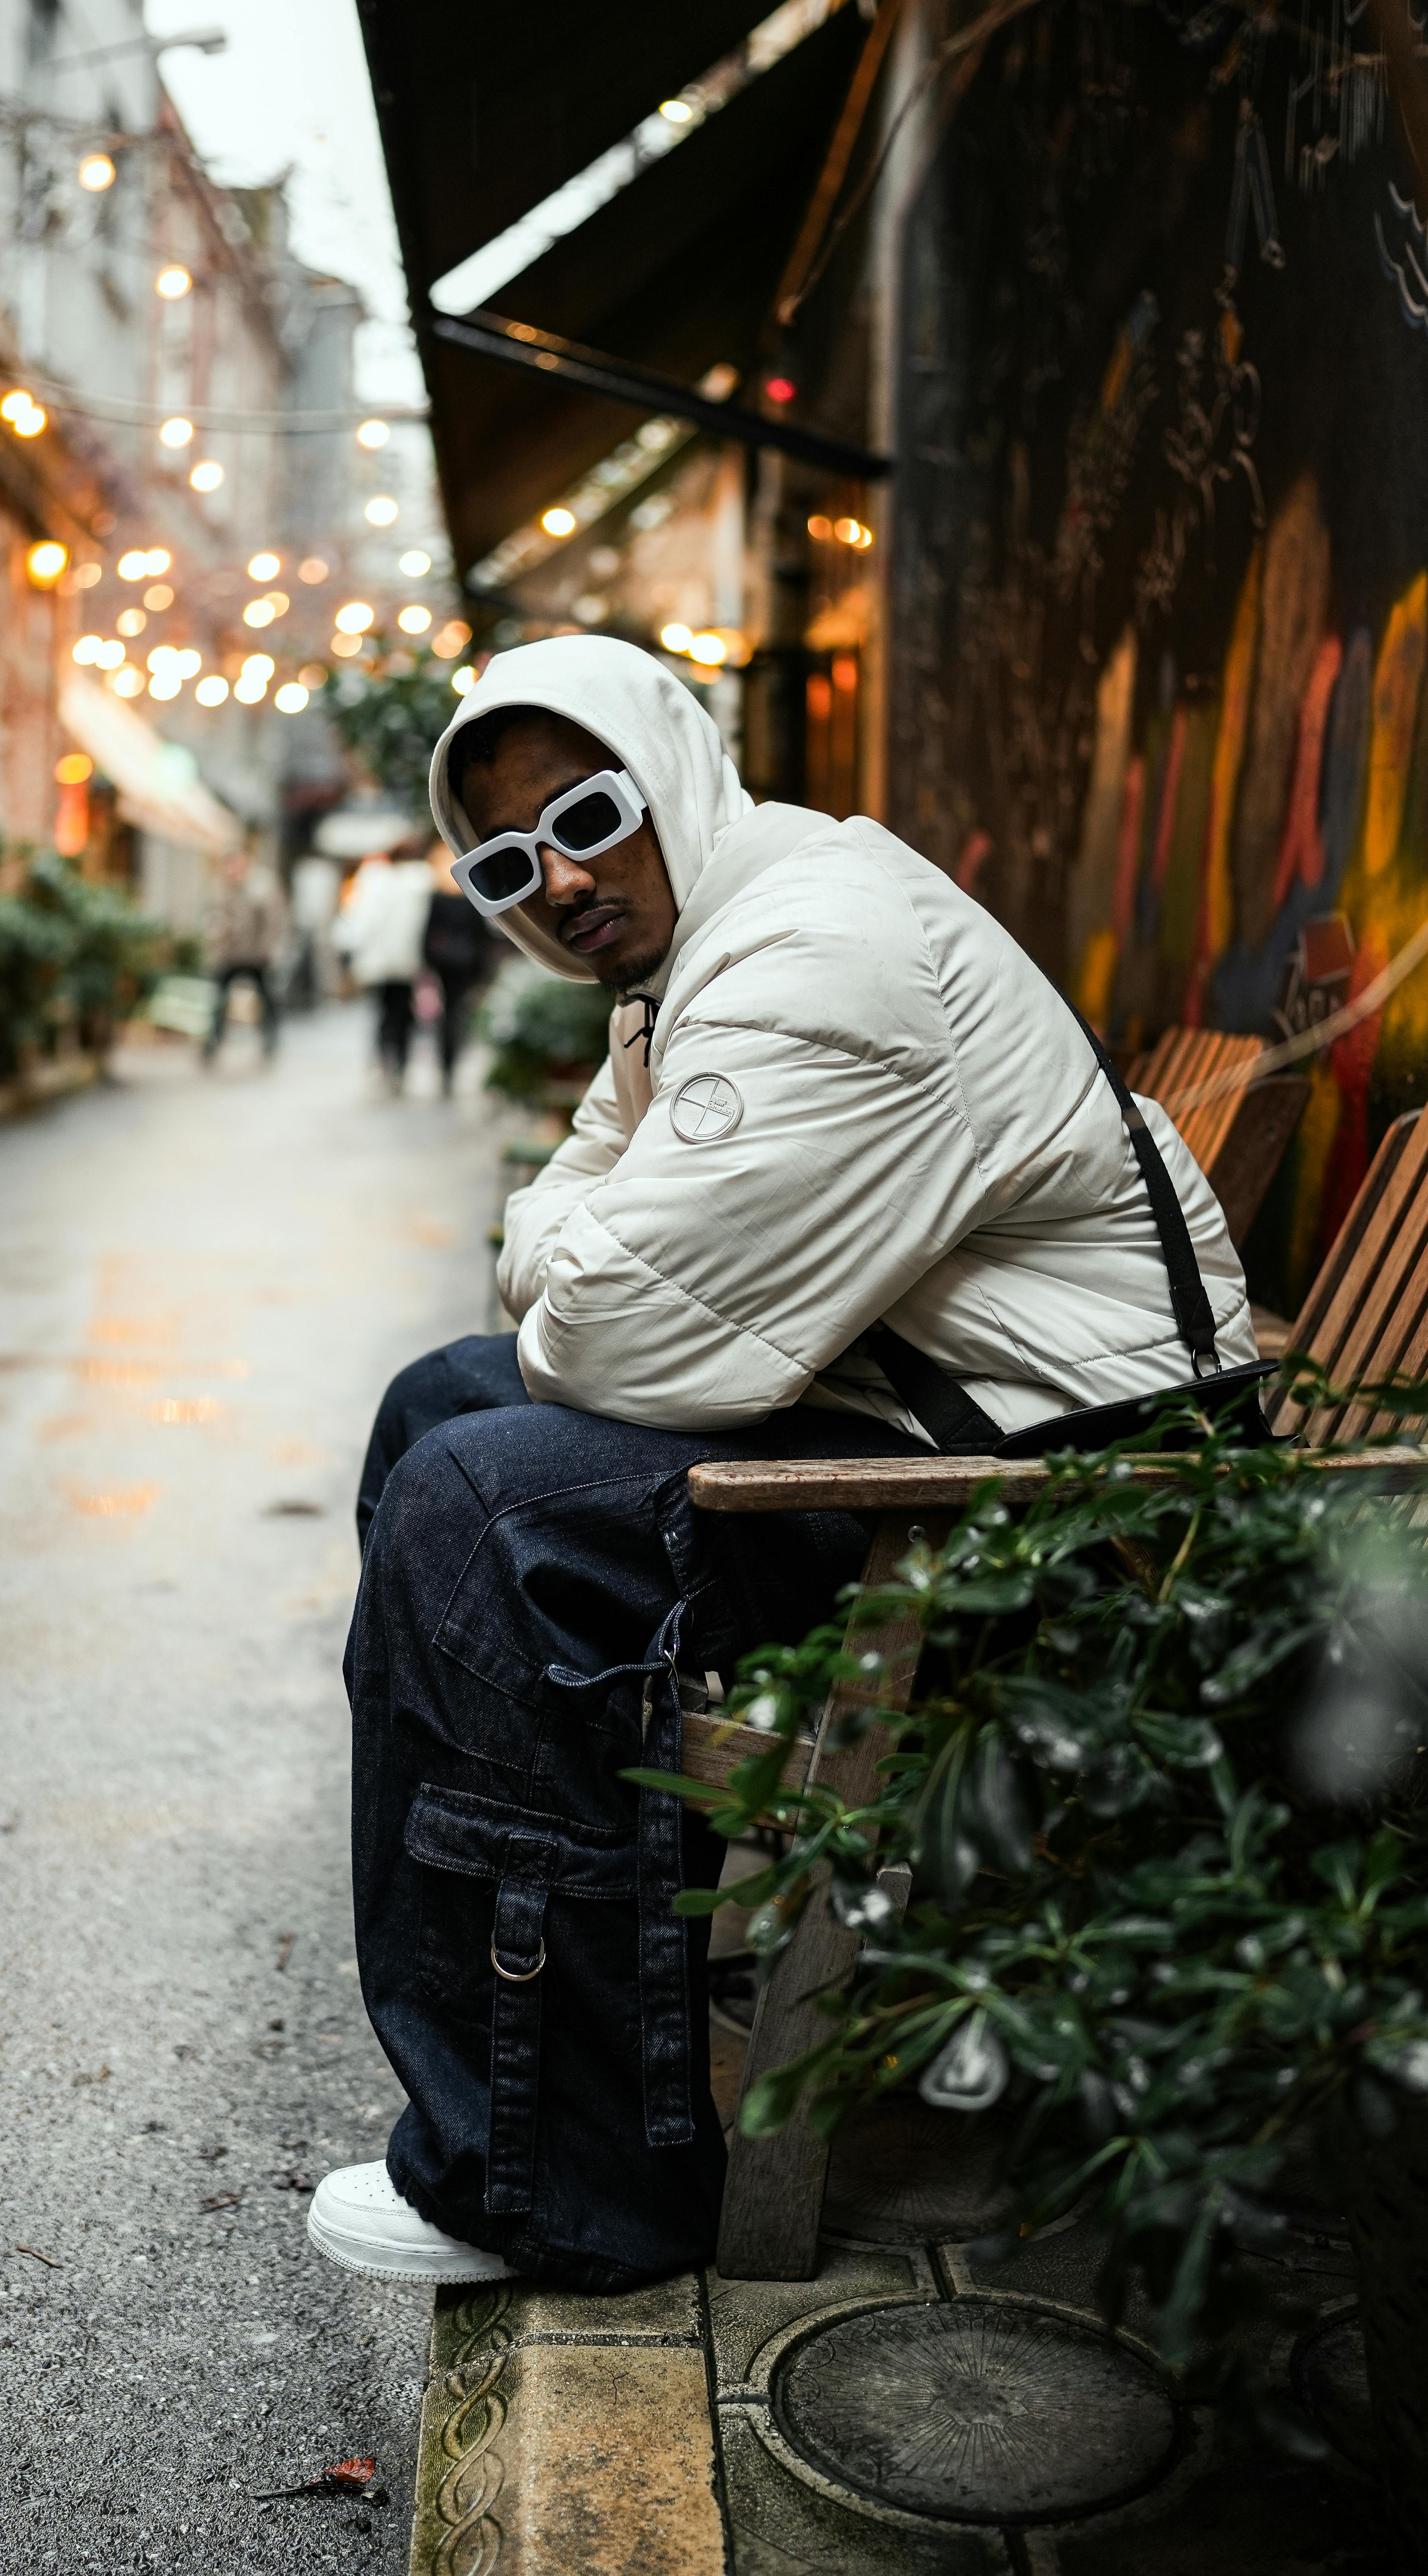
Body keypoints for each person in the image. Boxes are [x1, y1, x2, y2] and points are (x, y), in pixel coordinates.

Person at [304, 635, 1256, 2294]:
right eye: (512, 861)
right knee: (434, 1405)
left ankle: (570, 2181)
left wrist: (565, 1243)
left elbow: (610, 1324)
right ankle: (584, 2008)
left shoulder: (814, 955)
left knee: (478, 1507)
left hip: (1070, 1518)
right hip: (947, 1435)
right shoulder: (702, 959)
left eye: (589, 812)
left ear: (667, 763)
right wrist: (569, 1240)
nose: (566, 877)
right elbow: (562, 1230)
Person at [333, 840, 435, 1090]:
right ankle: (400, 1062)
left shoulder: (376, 882)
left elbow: (362, 922)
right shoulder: (423, 882)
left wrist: (351, 952)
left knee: (383, 1011)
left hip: (379, 961)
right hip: (409, 960)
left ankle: (384, 1059)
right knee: (403, 1012)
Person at [202, 840, 288, 1063]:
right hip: (229, 955)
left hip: (257, 955)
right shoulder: (222, 886)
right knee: (219, 999)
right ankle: (212, 1043)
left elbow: (275, 921)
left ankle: (270, 1041)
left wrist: (269, 950)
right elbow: (214, 917)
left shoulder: (262, 884)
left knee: (267, 1000)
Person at [422, 838, 495, 1094]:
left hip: (444, 960)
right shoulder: (470, 898)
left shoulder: (438, 897)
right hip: (466, 961)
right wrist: (482, 969)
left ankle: (446, 1063)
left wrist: (427, 963)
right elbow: (481, 935)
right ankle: (451, 1063)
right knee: (457, 1011)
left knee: (448, 1012)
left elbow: (428, 931)